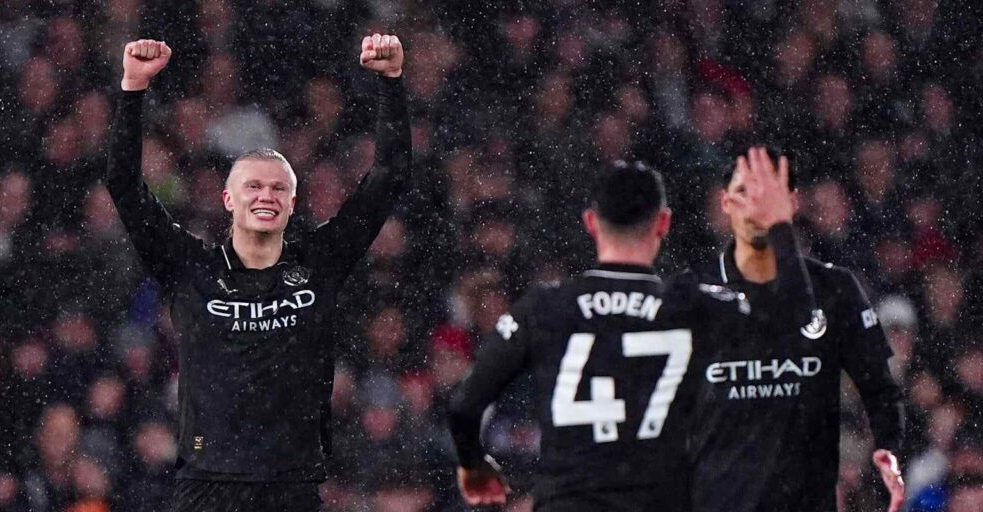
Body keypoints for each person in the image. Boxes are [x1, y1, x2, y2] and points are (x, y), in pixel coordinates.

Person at [105, 36, 410, 511]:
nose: (265, 195)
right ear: (228, 199)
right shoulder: (192, 267)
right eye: (252, 185)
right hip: (207, 488)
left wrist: (391, 83)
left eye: (277, 188)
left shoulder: (318, 263)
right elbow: (123, 184)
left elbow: (389, 176)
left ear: (292, 203)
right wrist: (133, 89)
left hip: (292, 489)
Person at [448, 149, 815, 511]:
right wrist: (778, 226)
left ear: (591, 222)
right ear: (663, 224)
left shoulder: (545, 307)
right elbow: (797, 324)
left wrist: (473, 463)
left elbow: (465, 405)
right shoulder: (692, 307)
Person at [687, 147, 906, 512]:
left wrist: (889, 446)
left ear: (792, 203)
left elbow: (880, 389)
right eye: (744, 193)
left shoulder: (835, 289)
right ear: (724, 203)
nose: (757, 208)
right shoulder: (692, 294)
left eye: (768, 196)